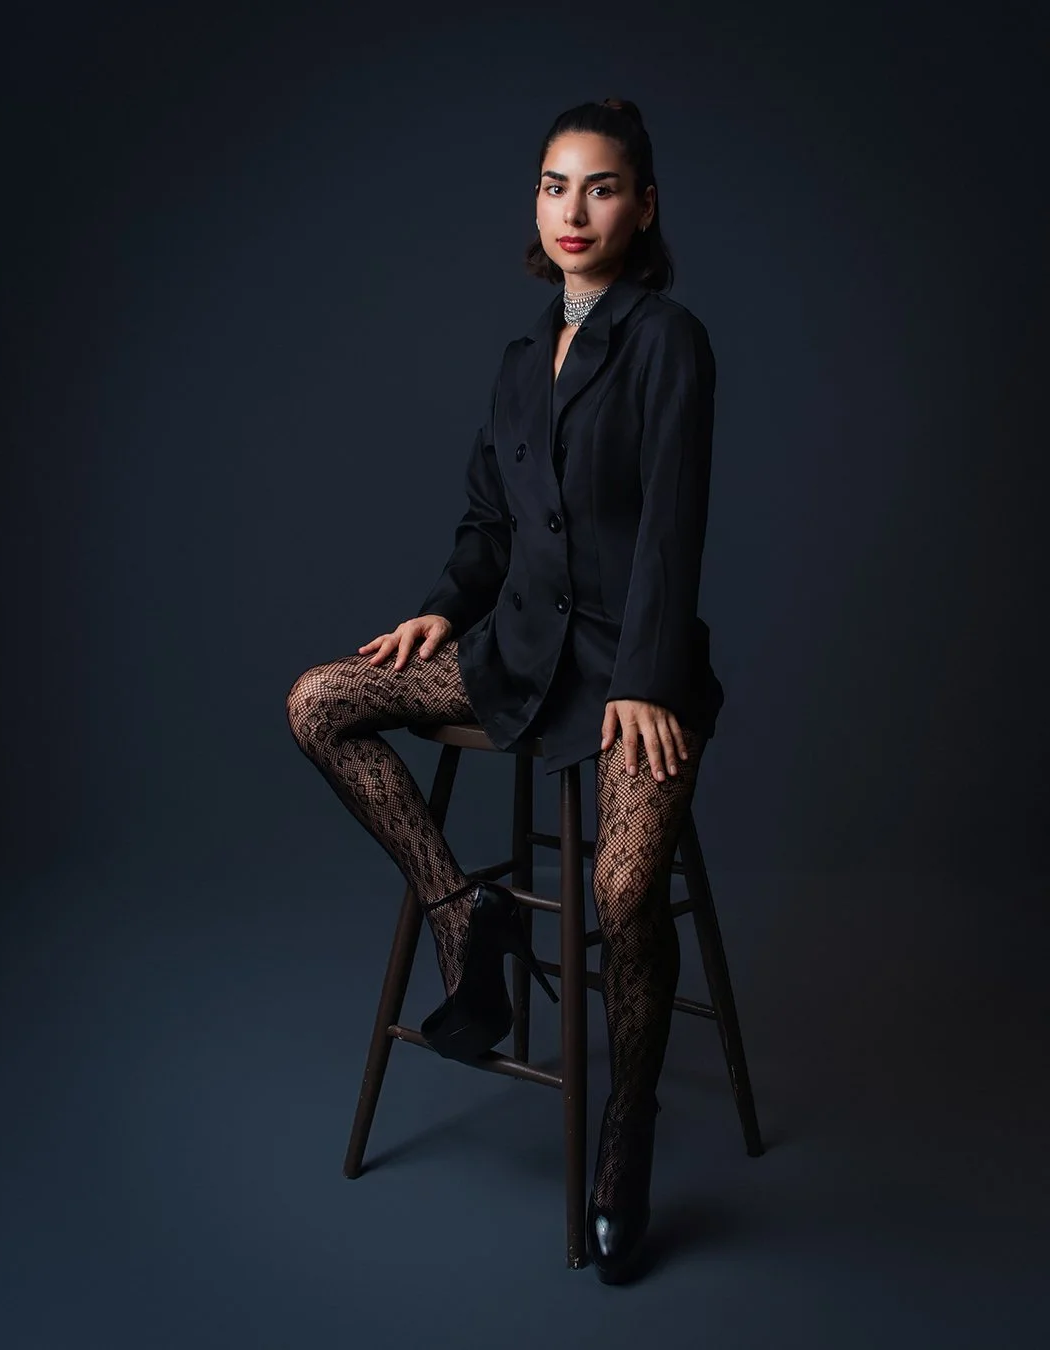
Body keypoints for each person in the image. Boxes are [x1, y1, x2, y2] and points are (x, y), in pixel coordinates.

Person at [286, 97, 724, 1284]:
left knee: (623, 889)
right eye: (553, 185)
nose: (573, 210)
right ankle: (461, 914)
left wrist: (650, 678)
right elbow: (490, 521)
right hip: (517, 654)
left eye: (601, 187)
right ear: (536, 203)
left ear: (644, 207)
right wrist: (446, 603)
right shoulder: (522, 359)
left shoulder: (669, 340)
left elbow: (673, 526)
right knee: (318, 700)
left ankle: (625, 1132)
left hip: (635, 670)